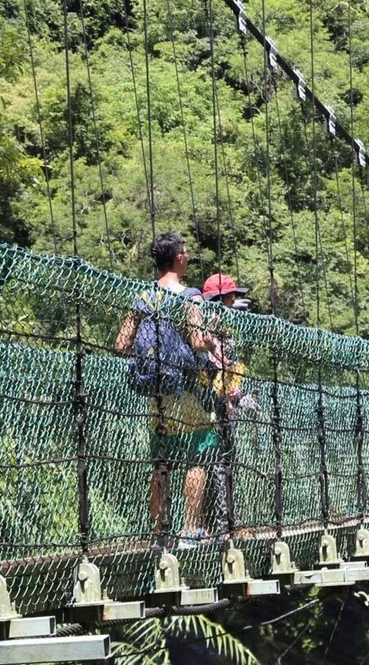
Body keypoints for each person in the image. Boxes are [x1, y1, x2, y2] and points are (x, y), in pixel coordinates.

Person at [115, 231, 217, 548]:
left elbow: (121, 345)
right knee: (197, 455)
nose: (187, 256)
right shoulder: (190, 295)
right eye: (185, 252)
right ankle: (189, 531)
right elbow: (200, 341)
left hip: (156, 395)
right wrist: (212, 339)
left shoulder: (142, 299)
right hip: (186, 392)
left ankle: (159, 535)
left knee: (161, 463)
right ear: (178, 259)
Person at [199, 273, 258, 538]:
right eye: (231, 296)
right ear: (219, 299)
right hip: (211, 407)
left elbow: (232, 372)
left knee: (224, 466)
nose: (234, 301)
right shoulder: (208, 330)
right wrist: (227, 398)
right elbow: (210, 372)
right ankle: (220, 528)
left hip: (223, 404)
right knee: (217, 467)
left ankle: (225, 525)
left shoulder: (223, 328)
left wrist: (238, 395)